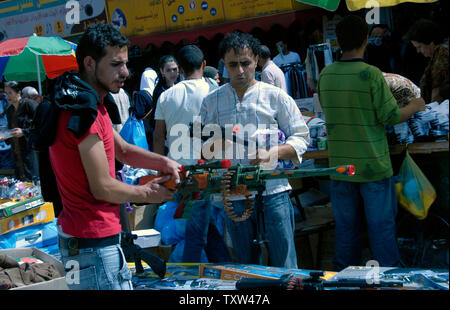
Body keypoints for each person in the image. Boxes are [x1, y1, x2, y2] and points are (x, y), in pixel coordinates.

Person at [47, 23, 181, 290]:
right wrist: (147, 193)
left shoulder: (90, 104)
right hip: (92, 245)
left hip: (91, 242)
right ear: (89, 63)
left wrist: (163, 161)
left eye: (126, 64)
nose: (125, 73)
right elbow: (102, 187)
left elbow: (123, 150)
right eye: (116, 64)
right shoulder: (82, 113)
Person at [317, 15, 426, 271]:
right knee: (381, 230)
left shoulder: (326, 75)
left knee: (346, 231)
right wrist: (415, 105)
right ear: (366, 39)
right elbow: (391, 116)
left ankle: (344, 281)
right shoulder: (371, 75)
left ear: (338, 42)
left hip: (340, 168)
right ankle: (388, 278)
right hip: (372, 167)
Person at [199, 32, 310, 268]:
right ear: (223, 64)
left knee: (285, 262)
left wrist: (274, 152)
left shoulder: (276, 97)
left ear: (257, 60)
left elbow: (301, 136)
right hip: (234, 194)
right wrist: (213, 147)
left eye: (245, 63)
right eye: (232, 65)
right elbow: (204, 150)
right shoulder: (211, 102)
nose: (239, 71)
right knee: (246, 266)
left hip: (274, 190)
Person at [153, 45, 231, 263]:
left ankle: (224, 265)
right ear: (204, 65)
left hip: (178, 173)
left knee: (200, 224)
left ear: (179, 68)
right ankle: (189, 277)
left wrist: (161, 172)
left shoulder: (167, 96)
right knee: (197, 231)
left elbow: (159, 137)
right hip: (208, 173)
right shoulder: (214, 92)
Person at [0, 81, 39, 182]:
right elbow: (10, 130)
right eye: (5, 93)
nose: (7, 96)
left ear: (18, 92)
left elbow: (42, 125)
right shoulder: (9, 111)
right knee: (21, 185)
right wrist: (6, 135)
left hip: (31, 151)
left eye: (10, 93)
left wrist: (24, 132)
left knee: (34, 183)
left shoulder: (29, 105)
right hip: (17, 153)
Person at [406, 19, 449, 103]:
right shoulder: (438, 54)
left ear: (430, 42)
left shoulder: (442, 53)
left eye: (419, 47)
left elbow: (437, 88)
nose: (418, 51)